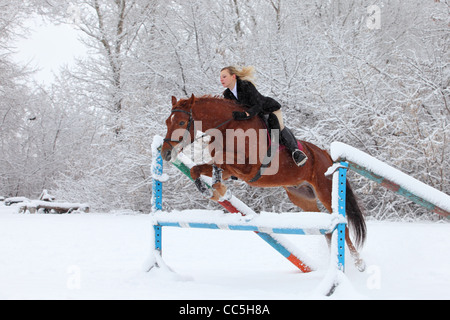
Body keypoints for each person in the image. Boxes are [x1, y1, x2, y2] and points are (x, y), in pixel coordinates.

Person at [220, 66, 308, 167]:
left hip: (268, 109)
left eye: (224, 76)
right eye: (220, 77)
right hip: (253, 115)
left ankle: (296, 152)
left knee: (277, 126)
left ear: (233, 76)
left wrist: (245, 114)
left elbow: (258, 105)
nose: (221, 79)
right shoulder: (227, 94)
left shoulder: (246, 85)